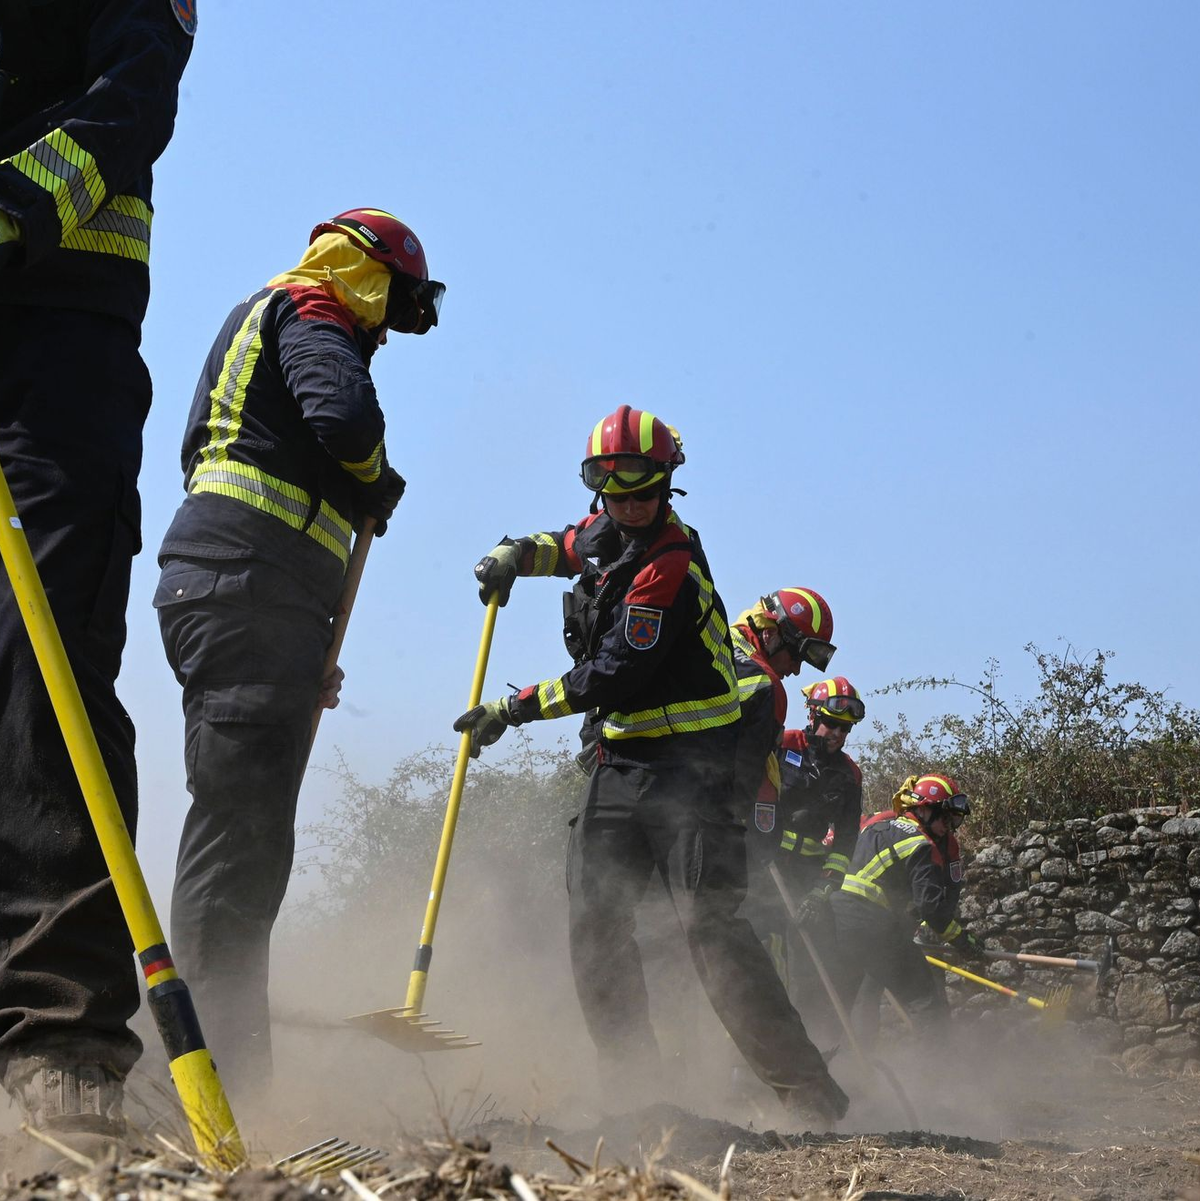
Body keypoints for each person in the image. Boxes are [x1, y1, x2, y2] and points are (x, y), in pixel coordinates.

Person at [456, 404, 848, 1125]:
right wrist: (516, 552)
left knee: (713, 929)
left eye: (643, 490)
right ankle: (632, 1089)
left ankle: (810, 1097)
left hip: (693, 775)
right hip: (621, 765)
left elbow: (613, 673)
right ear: (598, 488)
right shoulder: (609, 528)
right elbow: (569, 545)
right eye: (614, 491)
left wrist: (512, 710)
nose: (630, 505)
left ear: (668, 486)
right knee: (595, 921)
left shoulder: (669, 562)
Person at [154, 208, 442, 1104]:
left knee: (247, 839)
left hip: (247, 597)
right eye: (391, 307)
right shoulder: (315, 314)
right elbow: (345, 418)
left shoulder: (259, 321)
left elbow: (205, 452)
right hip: (248, 591)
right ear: (368, 277)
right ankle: (207, 1079)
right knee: (238, 845)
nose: (385, 330)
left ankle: (220, 1068)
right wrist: (377, 474)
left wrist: (301, 636)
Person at [0, 0, 194, 1155]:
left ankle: (58, 1038)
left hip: (56, 335)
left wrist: (13, 206)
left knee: (45, 673)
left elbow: (131, 102)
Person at [742, 679, 865, 1024]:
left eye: (845, 729)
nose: (838, 735)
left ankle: (814, 1036)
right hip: (764, 866)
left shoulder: (850, 775)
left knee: (819, 961)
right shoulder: (781, 744)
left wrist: (821, 889)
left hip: (807, 875)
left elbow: (845, 843)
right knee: (766, 950)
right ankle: (761, 1028)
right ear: (813, 716)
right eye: (832, 724)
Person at [830, 773, 983, 1040]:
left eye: (954, 820)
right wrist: (962, 940)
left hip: (836, 923)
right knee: (926, 1000)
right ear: (923, 809)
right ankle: (936, 1073)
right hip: (874, 927)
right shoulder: (919, 845)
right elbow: (931, 908)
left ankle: (849, 1067)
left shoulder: (876, 826)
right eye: (946, 817)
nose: (950, 826)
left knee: (852, 1001)